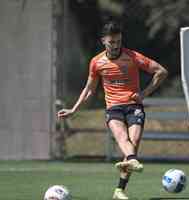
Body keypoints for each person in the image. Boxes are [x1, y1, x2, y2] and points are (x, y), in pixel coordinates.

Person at [57, 20, 168, 199]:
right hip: (113, 108)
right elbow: (89, 89)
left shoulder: (132, 57)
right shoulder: (96, 62)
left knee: (134, 141)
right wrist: (74, 109)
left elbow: (161, 72)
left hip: (134, 106)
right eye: (111, 42)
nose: (115, 46)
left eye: (118, 42)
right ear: (103, 41)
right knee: (124, 140)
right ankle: (131, 163)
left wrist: (144, 94)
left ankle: (119, 189)